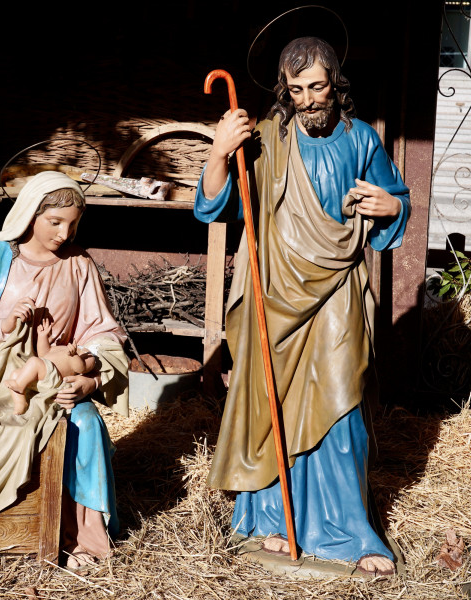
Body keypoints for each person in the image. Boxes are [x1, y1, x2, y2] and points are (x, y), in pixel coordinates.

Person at [194, 37, 410, 576]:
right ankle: (269, 518)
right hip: (276, 295)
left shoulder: (362, 140)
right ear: (284, 92)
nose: (310, 99)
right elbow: (213, 205)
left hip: (337, 290)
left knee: (342, 407)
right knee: (274, 409)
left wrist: (392, 205)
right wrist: (221, 152)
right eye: (297, 90)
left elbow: (394, 203)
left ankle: (351, 531)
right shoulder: (266, 139)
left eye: (318, 87)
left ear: (336, 85)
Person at [0, 171, 129, 571]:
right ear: (30, 214)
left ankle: (83, 541)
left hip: (57, 381)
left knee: (87, 424)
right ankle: (5, 532)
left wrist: (87, 381)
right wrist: (3, 328)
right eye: (55, 222)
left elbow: (103, 334)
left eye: (72, 223)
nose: (64, 232)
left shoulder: (78, 265)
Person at [5, 315, 97, 415]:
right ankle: (20, 404)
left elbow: (81, 368)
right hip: (43, 377)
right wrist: (42, 336)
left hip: (54, 379)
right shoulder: (62, 348)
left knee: (34, 362)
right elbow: (44, 353)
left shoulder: (86, 356)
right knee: (15, 374)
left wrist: (74, 355)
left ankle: (19, 385)